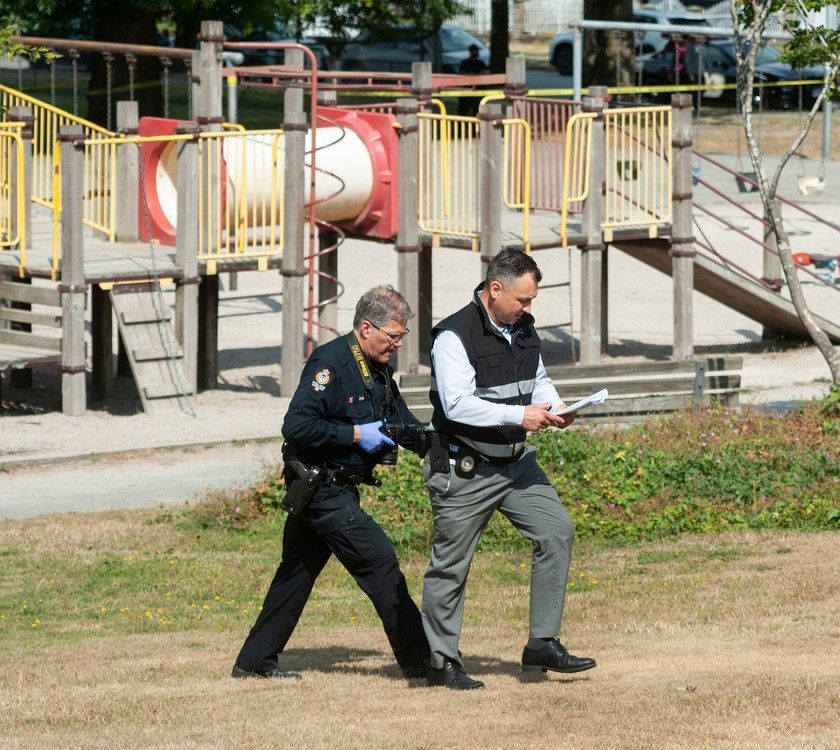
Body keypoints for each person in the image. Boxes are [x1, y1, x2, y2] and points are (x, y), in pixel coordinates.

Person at [232, 286, 430, 681]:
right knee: (380, 562)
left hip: (335, 486)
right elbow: (297, 426)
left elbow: (402, 424)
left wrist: (441, 443)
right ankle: (422, 662)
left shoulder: (378, 367)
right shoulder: (331, 364)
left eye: (402, 337)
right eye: (392, 336)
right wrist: (356, 435)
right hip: (322, 488)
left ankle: (254, 661)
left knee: (297, 573)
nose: (397, 345)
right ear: (364, 328)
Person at [420, 249, 597, 690]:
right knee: (451, 565)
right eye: (523, 300)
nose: (528, 309)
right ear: (494, 289)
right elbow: (457, 404)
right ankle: (442, 662)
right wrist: (521, 416)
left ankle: (542, 643)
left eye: (532, 300)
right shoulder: (452, 337)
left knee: (556, 531)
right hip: (466, 468)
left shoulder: (523, 327)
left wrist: (557, 407)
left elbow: (537, 378)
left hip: (515, 464)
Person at [457, 44, 486, 117]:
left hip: (478, 90)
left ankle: (475, 126)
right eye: (474, 51)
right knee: (463, 110)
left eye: (476, 51)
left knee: (477, 110)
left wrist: (472, 75)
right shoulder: (465, 63)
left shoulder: (481, 63)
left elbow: (484, 74)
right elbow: (463, 74)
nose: (475, 53)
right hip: (466, 90)